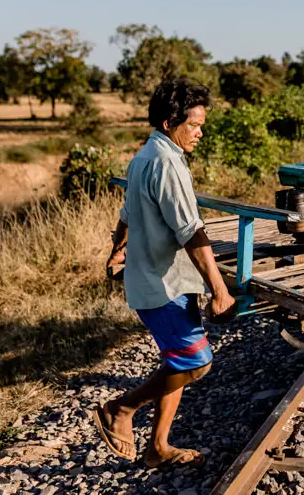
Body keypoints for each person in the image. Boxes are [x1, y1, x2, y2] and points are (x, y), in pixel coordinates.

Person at [92, 79, 237, 468]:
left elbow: (126, 214)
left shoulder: (144, 156)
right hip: (162, 282)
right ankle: (120, 409)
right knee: (197, 362)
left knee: (177, 360)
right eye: (194, 125)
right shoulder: (167, 162)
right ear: (172, 120)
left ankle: (158, 447)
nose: (200, 133)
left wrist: (116, 250)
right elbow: (191, 230)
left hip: (162, 277)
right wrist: (220, 288)